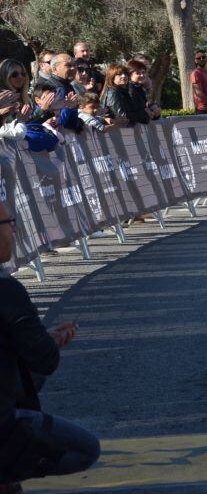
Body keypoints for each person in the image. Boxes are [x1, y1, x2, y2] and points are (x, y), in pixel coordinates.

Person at [0, 201, 100, 493]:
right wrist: (47, 342)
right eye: (9, 224)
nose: (14, 232)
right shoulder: (7, 290)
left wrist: (44, 337)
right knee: (85, 449)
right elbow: (45, 360)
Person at [191, 50, 207, 114]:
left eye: (203, 57)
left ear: (206, 58)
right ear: (195, 61)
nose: (201, 59)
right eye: (198, 58)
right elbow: (199, 93)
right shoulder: (196, 73)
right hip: (203, 109)